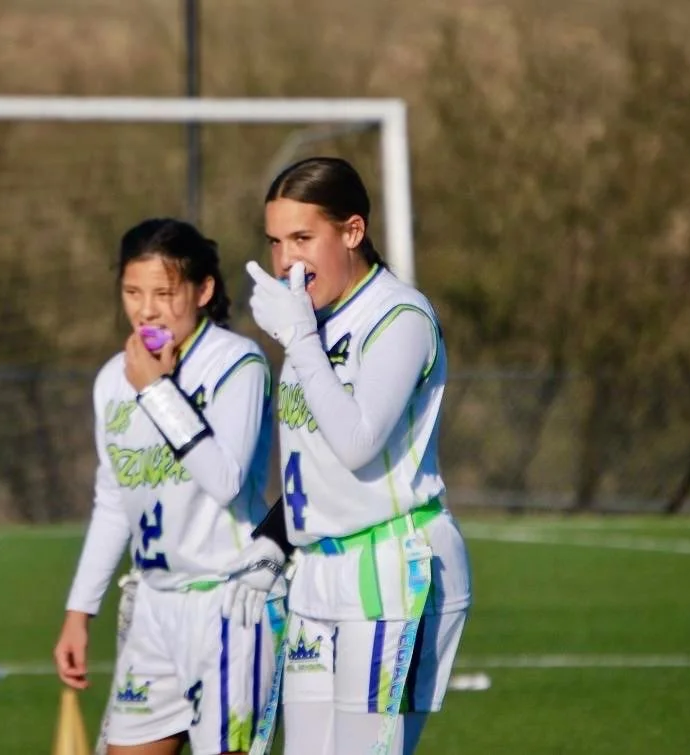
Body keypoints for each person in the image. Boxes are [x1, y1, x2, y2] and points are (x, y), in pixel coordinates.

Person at [220, 157, 472, 755]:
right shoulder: (314, 323)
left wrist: (300, 340)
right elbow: (313, 466)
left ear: (352, 232)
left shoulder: (399, 317)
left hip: (394, 569)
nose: (286, 261)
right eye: (276, 242)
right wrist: (270, 542)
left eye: (303, 239)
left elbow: (358, 445)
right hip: (317, 575)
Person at [54, 218, 278, 755]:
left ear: (203, 291)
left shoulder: (236, 363)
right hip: (153, 609)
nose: (146, 309)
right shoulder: (115, 378)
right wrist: (79, 612)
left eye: (163, 292)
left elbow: (225, 480)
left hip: (231, 608)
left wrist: (157, 391)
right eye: (133, 292)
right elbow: (113, 500)